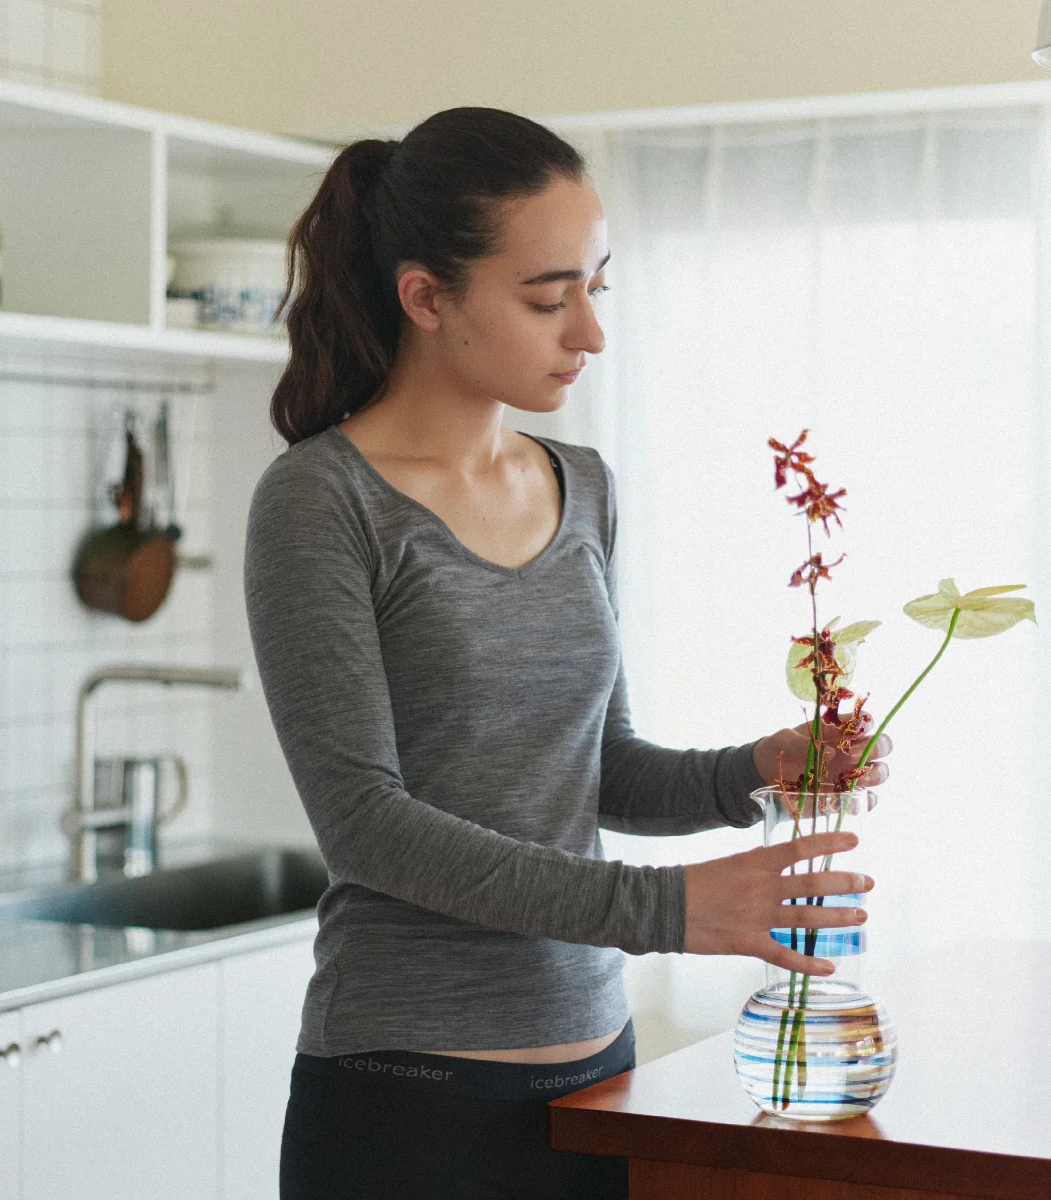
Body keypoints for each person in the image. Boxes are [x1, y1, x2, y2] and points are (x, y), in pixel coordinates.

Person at [242, 106, 890, 1200]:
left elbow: (599, 767)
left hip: (597, 1080)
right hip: (406, 1097)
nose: (589, 331)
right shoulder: (322, 501)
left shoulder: (580, 484)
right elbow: (365, 824)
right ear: (426, 297)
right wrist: (671, 911)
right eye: (550, 297)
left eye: (598, 286)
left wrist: (756, 769)